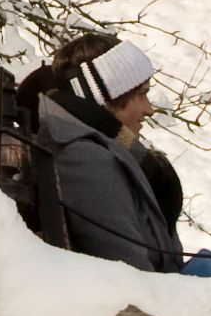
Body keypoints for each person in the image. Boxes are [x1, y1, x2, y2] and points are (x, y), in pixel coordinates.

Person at [31, 36, 185, 271]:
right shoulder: (87, 160)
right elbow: (128, 272)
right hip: (149, 301)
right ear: (105, 96)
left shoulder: (104, 148)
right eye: (142, 94)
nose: (149, 109)